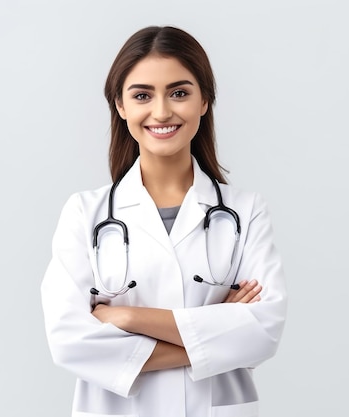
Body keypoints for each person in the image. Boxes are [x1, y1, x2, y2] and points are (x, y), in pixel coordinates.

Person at [41, 25, 287, 417]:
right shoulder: (84, 214)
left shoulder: (246, 211)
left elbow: (263, 332)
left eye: (179, 93)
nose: (161, 111)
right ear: (120, 107)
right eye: (142, 95)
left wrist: (126, 317)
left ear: (204, 100)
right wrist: (218, 331)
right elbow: (70, 342)